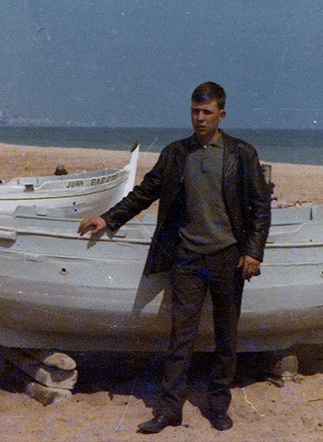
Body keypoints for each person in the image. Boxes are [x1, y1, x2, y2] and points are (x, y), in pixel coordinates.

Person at [77, 81, 271, 434]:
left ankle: (218, 406)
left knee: (226, 338)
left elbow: (260, 208)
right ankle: (170, 410)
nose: (200, 119)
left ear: (221, 115)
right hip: (187, 259)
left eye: (207, 112)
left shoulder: (242, 154)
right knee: (180, 339)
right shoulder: (175, 153)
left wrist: (253, 252)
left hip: (228, 259)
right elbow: (145, 192)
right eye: (195, 112)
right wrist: (108, 218)